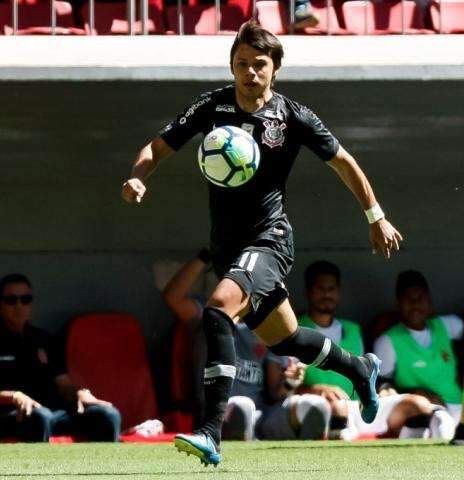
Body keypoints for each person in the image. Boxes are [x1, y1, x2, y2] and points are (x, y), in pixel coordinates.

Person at [122, 20, 402, 466]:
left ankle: (211, 432)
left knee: (216, 309)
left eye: (259, 65)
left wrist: (376, 216)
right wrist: (137, 177)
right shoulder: (211, 107)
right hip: (229, 247)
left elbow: (344, 162)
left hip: (270, 239)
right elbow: (157, 147)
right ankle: (359, 368)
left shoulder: (292, 116)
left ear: (275, 69)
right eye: (241, 64)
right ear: (231, 67)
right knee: (286, 340)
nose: (249, 72)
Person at [164, 251, 331, 442]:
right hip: (221, 416)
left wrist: (290, 382)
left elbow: (277, 393)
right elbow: (173, 297)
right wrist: (206, 255)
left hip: (262, 418)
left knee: (315, 406)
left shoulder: (267, 323)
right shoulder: (210, 313)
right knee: (242, 408)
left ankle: (303, 468)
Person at [298, 261, 455, 440]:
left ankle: (414, 463)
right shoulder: (296, 331)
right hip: (322, 406)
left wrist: (385, 388)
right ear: (308, 291)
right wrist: (315, 388)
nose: (327, 294)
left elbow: (371, 376)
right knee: (339, 415)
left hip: (359, 407)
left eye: (331, 288)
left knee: (419, 406)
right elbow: (278, 390)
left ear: (339, 291)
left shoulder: (353, 330)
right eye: (320, 288)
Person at [0, 273, 121, 442]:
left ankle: (104, 468)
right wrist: (14, 396)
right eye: (11, 300)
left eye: (25, 300)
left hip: (52, 411)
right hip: (11, 414)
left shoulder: (44, 339)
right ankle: (40, 468)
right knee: (40, 417)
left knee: (108, 415)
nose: (19, 306)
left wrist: (80, 394)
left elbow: (64, 385)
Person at [373, 270, 463, 423]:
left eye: (420, 298)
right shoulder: (388, 340)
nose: (415, 304)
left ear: (429, 300)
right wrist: (414, 393)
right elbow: (381, 385)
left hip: (459, 407)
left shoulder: (448, 325)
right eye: (408, 299)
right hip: (426, 411)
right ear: (398, 303)